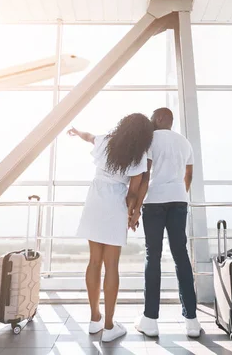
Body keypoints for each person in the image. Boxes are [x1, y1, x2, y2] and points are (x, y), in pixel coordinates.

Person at [68, 113, 154, 343]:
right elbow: (133, 192)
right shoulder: (138, 154)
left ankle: (94, 318)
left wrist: (77, 133)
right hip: (115, 203)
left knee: (94, 261)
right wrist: (132, 214)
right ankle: (108, 327)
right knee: (112, 265)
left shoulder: (106, 139)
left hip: (94, 199)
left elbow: (89, 137)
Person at [130, 107, 202, 338]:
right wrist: (180, 192)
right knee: (181, 255)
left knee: (153, 256)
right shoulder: (184, 142)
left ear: (161, 118)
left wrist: (136, 208)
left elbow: (145, 176)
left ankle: (150, 320)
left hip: (155, 202)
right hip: (179, 201)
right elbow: (188, 175)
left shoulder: (150, 140)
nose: (150, 121)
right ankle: (191, 321)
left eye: (153, 117)